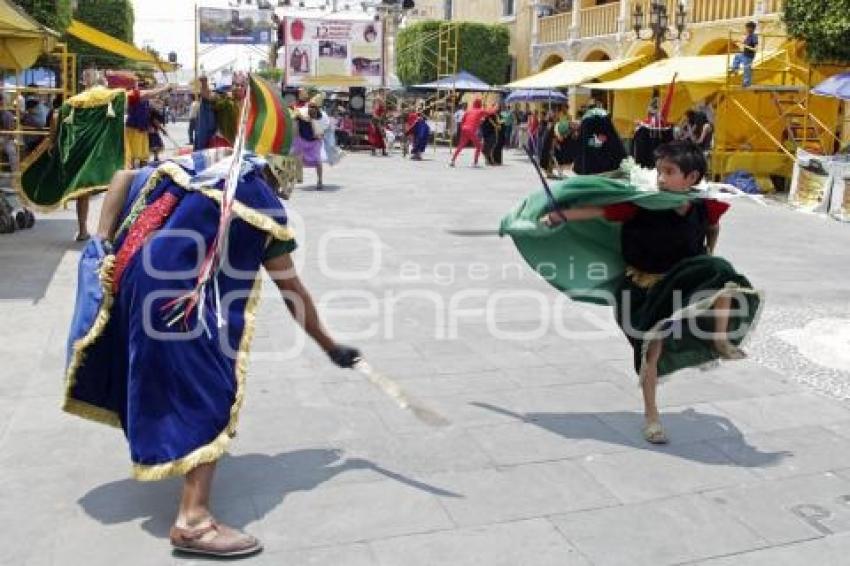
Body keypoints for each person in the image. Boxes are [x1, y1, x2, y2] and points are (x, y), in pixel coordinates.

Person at [64, 147, 361, 559]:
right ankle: (193, 521)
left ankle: (172, 452)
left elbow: (120, 178)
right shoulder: (261, 199)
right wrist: (330, 345)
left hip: (134, 281)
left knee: (170, 378)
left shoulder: (203, 163)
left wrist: (101, 244)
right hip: (177, 301)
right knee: (212, 391)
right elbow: (293, 291)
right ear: (279, 176)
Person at [519, 141, 760, 444]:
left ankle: (720, 339)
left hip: (681, 278)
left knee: (722, 273)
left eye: (669, 172)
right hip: (643, 288)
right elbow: (600, 210)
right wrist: (562, 216)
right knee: (650, 352)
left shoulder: (703, 206)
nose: (660, 177)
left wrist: (709, 252)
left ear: (692, 177)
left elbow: (713, 226)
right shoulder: (641, 203)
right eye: (659, 171)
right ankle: (651, 416)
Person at [126, 80, 171, 168]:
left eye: (146, 87)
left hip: (143, 129)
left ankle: (142, 172)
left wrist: (160, 129)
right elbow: (150, 94)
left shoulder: (147, 101)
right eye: (142, 86)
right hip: (133, 128)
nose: (145, 88)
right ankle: (131, 172)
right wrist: (164, 88)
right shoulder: (133, 95)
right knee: (133, 155)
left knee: (144, 156)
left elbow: (151, 116)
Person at [573, 107, 627, 175]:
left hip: (591, 169)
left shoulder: (587, 121)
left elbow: (587, 144)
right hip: (611, 168)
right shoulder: (602, 120)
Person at [291, 93, 326, 189]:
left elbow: (322, 131)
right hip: (301, 139)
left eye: (315, 108)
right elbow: (292, 120)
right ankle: (295, 177)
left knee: (318, 161)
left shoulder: (321, 117)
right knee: (294, 158)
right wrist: (297, 115)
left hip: (314, 142)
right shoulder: (301, 113)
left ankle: (320, 181)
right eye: (311, 107)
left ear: (318, 109)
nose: (312, 109)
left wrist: (319, 133)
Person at [449, 98, 487, 167]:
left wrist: (463, 128)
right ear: (480, 104)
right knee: (478, 146)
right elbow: (490, 112)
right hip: (471, 130)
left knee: (461, 145)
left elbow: (462, 121)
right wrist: (495, 107)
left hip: (464, 128)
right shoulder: (480, 111)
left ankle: (452, 160)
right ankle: (475, 163)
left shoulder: (468, 111)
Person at [730, 21, 758, 87]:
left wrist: (746, 46)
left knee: (747, 69)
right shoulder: (748, 36)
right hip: (744, 54)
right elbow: (744, 43)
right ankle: (735, 69)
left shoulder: (754, 36)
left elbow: (755, 48)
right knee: (737, 56)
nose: (746, 29)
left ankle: (747, 83)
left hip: (749, 56)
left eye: (747, 28)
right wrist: (737, 41)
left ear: (751, 28)